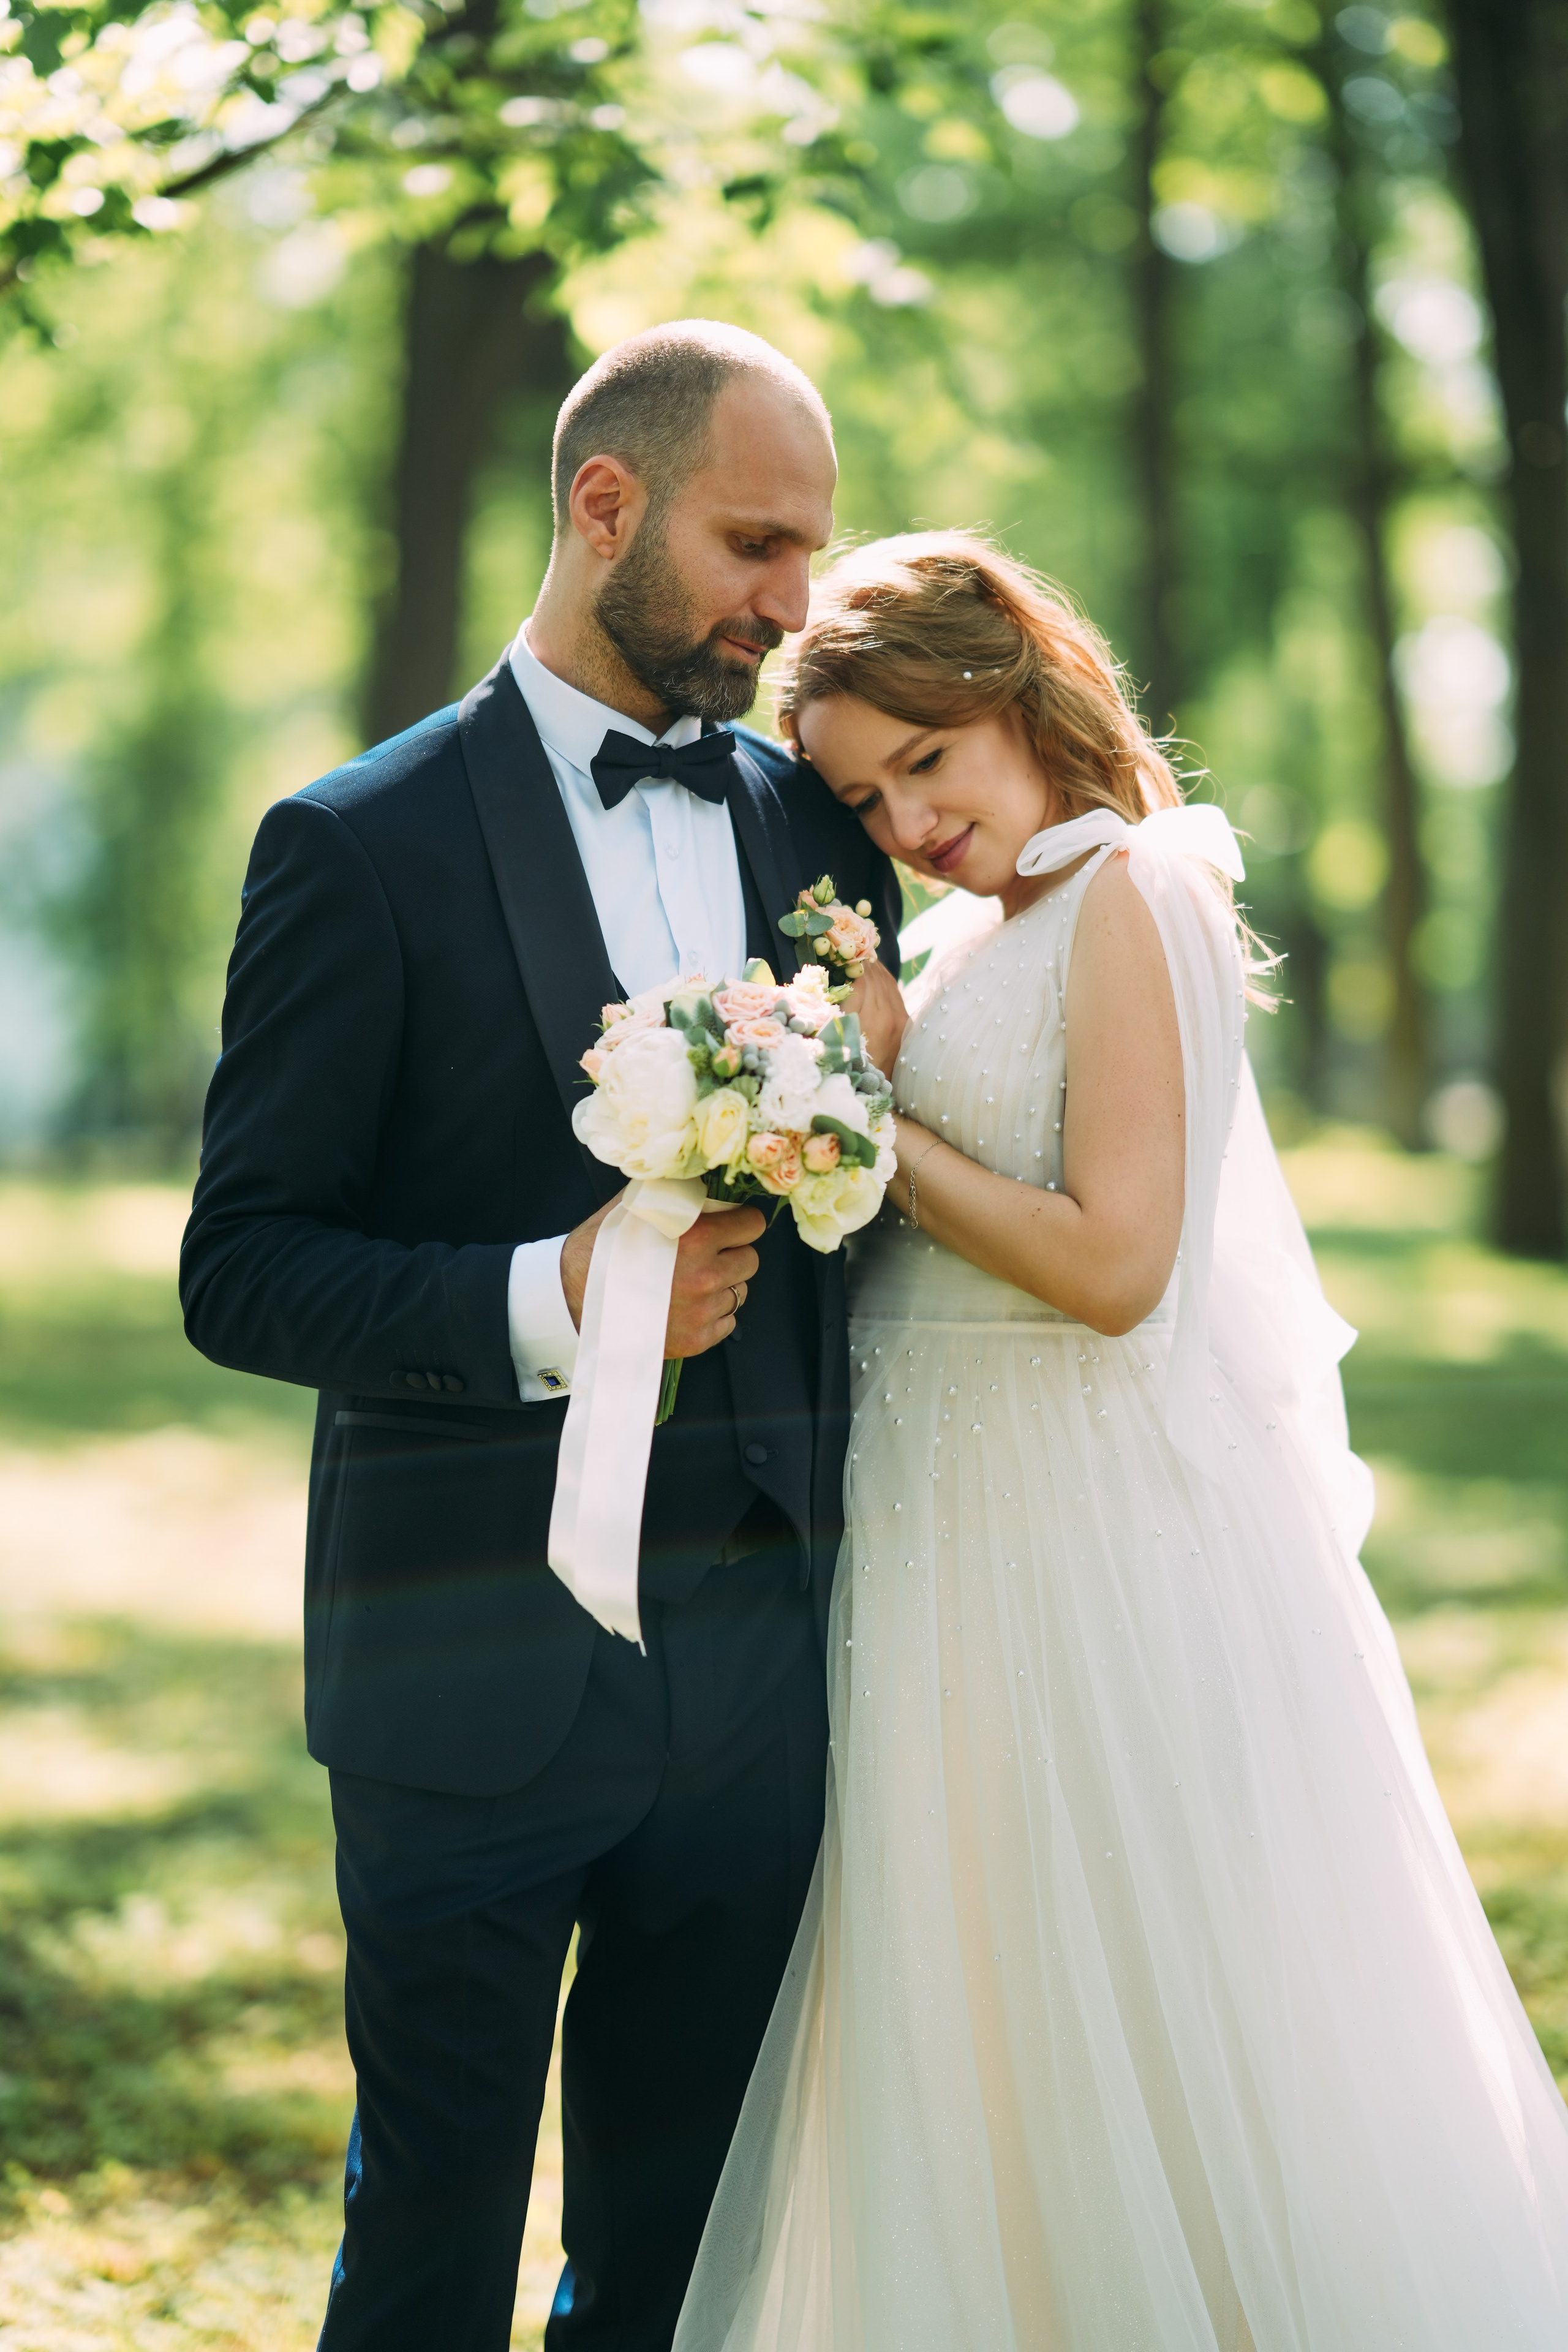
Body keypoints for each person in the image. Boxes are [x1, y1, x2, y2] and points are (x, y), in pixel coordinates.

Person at [673, 532, 1568, 2351]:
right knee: (978, 1993)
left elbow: (1116, 1265)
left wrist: (860, 1119)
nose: (910, 822)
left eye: (928, 761)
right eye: (867, 794)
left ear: (1014, 686)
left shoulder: (1135, 886)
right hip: (940, 1533)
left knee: (1139, 1985)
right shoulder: (971, 925)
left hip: (1075, 1530)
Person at [179, 321, 902, 2352]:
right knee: (427, 2235)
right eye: (758, 545)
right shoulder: (357, 843)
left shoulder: (824, 838)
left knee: (675, 2253)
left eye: (812, 552)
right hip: (464, 1662)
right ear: (605, 506)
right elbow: (244, 1267)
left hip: (760, 1670)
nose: (794, 604)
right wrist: (553, 1297)